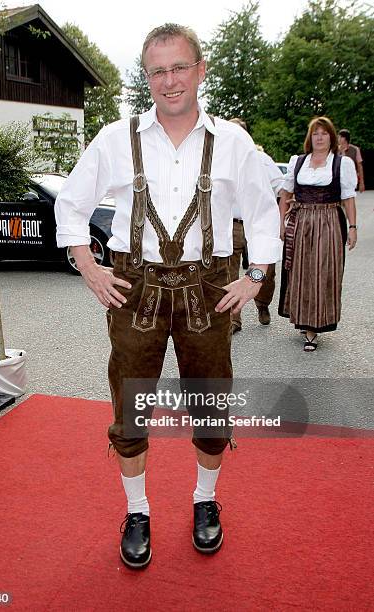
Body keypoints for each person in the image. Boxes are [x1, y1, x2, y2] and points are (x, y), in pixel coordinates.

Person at [55, 23, 282, 569]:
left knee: (209, 405)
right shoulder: (116, 137)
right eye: (158, 71)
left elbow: (263, 209)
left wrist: (255, 276)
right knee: (131, 409)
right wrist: (87, 265)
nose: (170, 80)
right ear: (148, 78)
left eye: (180, 67)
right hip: (137, 290)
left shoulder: (233, 141)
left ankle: (205, 501)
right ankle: (137, 510)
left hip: (209, 291)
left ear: (200, 71)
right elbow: (71, 204)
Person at [278, 116, 357, 352]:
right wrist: (282, 224)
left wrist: (352, 227)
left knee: (323, 272)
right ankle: (305, 319)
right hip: (301, 222)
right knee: (301, 272)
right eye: (315, 133)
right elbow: (284, 194)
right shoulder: (298, 162)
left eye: (324, 133)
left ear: (331, 137)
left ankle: (314, 326)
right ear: (310, 138)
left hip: (329, 221)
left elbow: (348, 198)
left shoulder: (341, 164)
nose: (320, 137)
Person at [228, 119, 284, 332]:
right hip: (231, 225)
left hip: (256, 226)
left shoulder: (261, 159)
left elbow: (281, 187)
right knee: (229, 272)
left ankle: (262, 304)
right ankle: (234, 318)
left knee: (264, 272)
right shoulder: (220, 160)